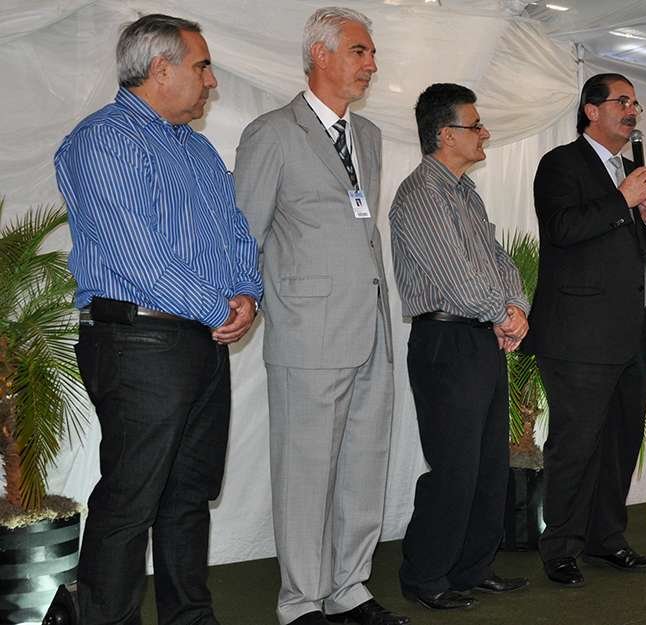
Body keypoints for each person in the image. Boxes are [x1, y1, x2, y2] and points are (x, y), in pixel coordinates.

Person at [54, 14, 262, 625]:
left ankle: (189, 619)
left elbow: (234, 234)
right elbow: (134, 252)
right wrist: (216, 305)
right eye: (201, 66)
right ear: (161, 68)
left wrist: (247, 293)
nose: (211, 79)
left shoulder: (194, 147)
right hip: (137, 339)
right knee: (130, 499)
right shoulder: (105, 140)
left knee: (188, 496)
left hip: (195, 340)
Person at [233, 7, 404, 625]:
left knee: (364, 466)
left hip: (371, 332)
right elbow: (243, 233)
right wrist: (241, 297)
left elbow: (359, 232)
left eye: (370, 53)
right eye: (360, 51)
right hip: (307, 335)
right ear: (321, 55)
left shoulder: (371, 137)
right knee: (305, 476)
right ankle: (300, 601)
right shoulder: (272, 133)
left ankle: (349, 588)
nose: (371, 64)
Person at [390, 82, 531, 610]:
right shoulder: (422, 194)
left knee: (489, 464)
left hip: (479, 338)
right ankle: (426, 575)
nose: (484, 133)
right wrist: (503, 313)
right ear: (446, 135)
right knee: (454, 466)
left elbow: (499, 263)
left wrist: (516, 309)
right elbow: (456, 279)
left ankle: (472, 567)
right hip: (445, 339)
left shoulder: (465, 193)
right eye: (475, 125)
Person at [523, 72, 646, 587]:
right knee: (576, 444)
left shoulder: (631, 172)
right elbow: (562, 229)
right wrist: (622, 201)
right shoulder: (561, 163)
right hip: (579, 336)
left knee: (622, 443)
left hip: (633, 334)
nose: (631, 111)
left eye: (635, 103)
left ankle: (608, 539)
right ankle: (559, 545)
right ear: (591, 110)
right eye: (621, 101)